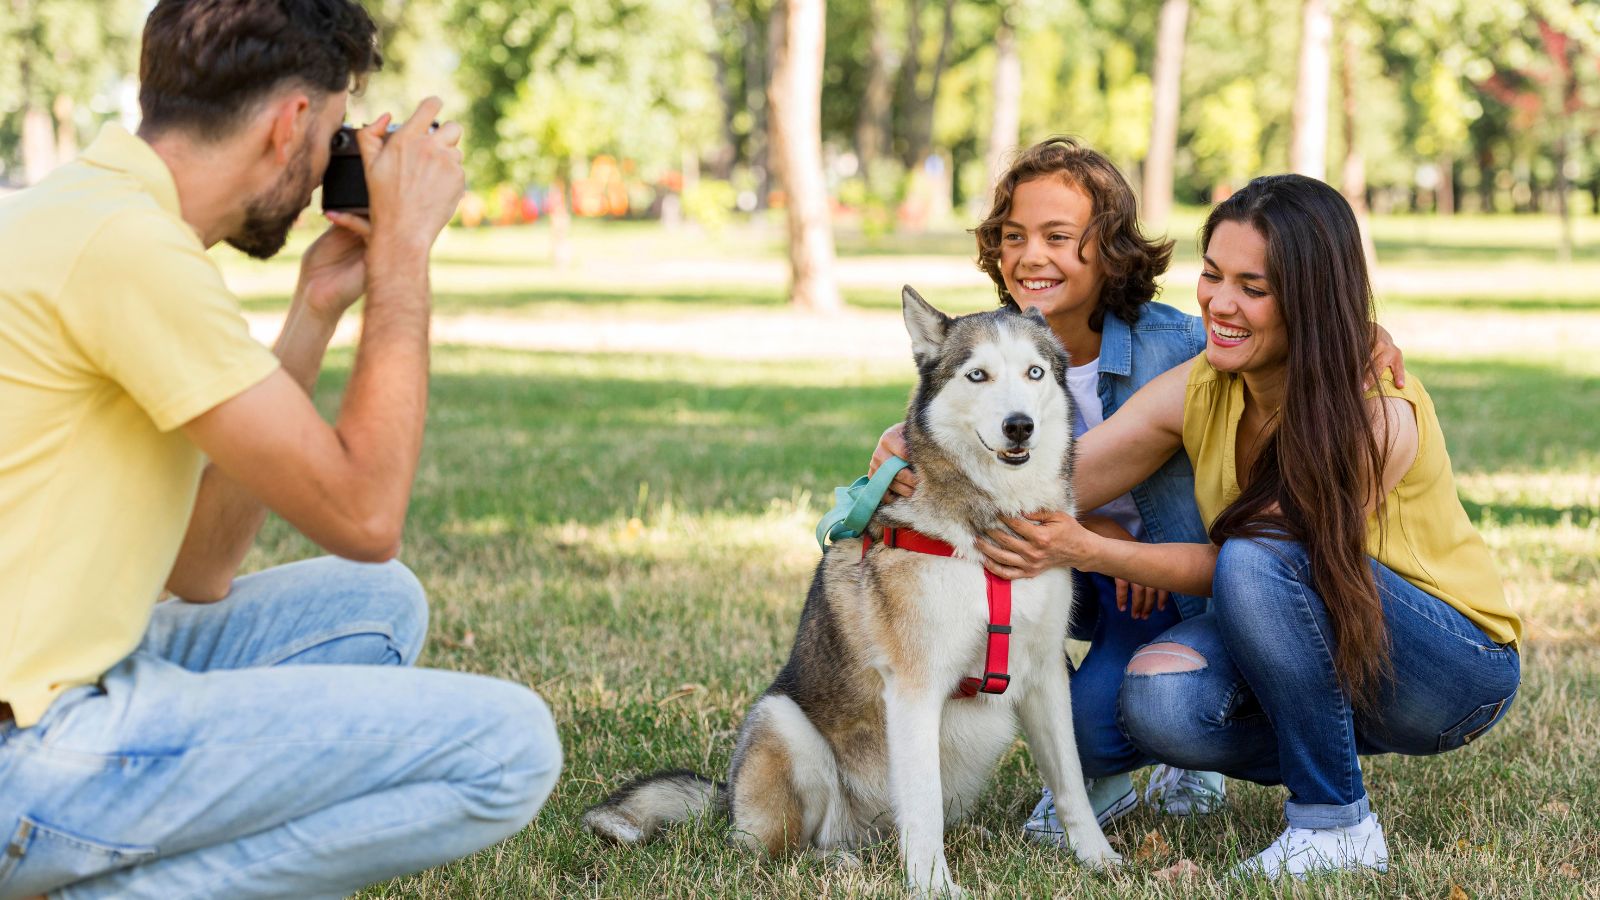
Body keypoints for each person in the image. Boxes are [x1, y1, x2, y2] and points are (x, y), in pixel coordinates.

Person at [0, 2, 560, 898]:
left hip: (64, 678)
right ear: (292, 122)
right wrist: (403, 257)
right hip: (26, 754)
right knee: (508, 748)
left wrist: (315, 311)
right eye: (338, 131)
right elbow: (367, 513)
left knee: (373, 607)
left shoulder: (100, 214)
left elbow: (202, 566)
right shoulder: (130, 251)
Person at [972, 173, 1521, 877]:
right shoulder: (1204, 384)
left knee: (1259, 557)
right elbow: (1056, 480)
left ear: (1311, 299)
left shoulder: (1377, 413)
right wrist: (915, 459)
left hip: (1448, 666)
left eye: (1252, 289)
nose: (1220, 305)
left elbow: (1260, 564)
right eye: (1211, 277)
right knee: (1158, 699)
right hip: (1325, 644)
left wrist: (1090, 549)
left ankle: (1335, 826)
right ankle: (1314, 751)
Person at [870, 138, 1405, 842]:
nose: (1032, 256)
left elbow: (1273, 332)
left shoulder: (1182, 347)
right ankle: (1104, 775)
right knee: (1090, 730)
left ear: (1110, 248)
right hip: (1086, 577)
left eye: (1060, 237)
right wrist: (902, 455)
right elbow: (985, 472)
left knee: (1129, 709)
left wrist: (1362, 332)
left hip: (1185, 581)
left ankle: (1201, 752)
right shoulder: (990, 347)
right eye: (1014, 237)